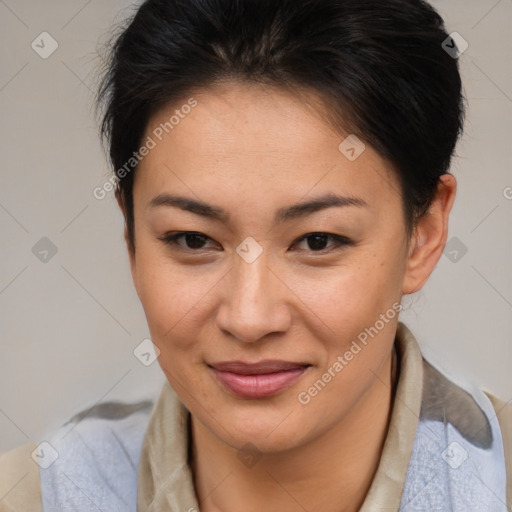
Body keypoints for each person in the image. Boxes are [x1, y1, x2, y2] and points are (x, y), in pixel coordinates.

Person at [1, 0, 510, 510]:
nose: (249, 318)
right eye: (193, 240)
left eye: (317, 241)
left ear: (423, 232)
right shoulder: (31, 495)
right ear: (132, 236)